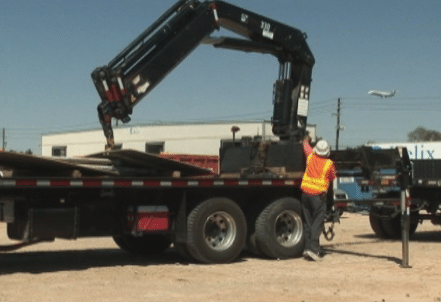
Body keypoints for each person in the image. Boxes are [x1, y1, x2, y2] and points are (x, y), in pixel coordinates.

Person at [300, 136, 336, 261]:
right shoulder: (329, 164)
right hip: (318, 197)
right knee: (317, 223)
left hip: (305, 195)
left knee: (308, 222)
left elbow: (305, 145)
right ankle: (313, 250)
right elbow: (332, 178)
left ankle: (306, 248)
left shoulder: (310, 157)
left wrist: (307, 138)